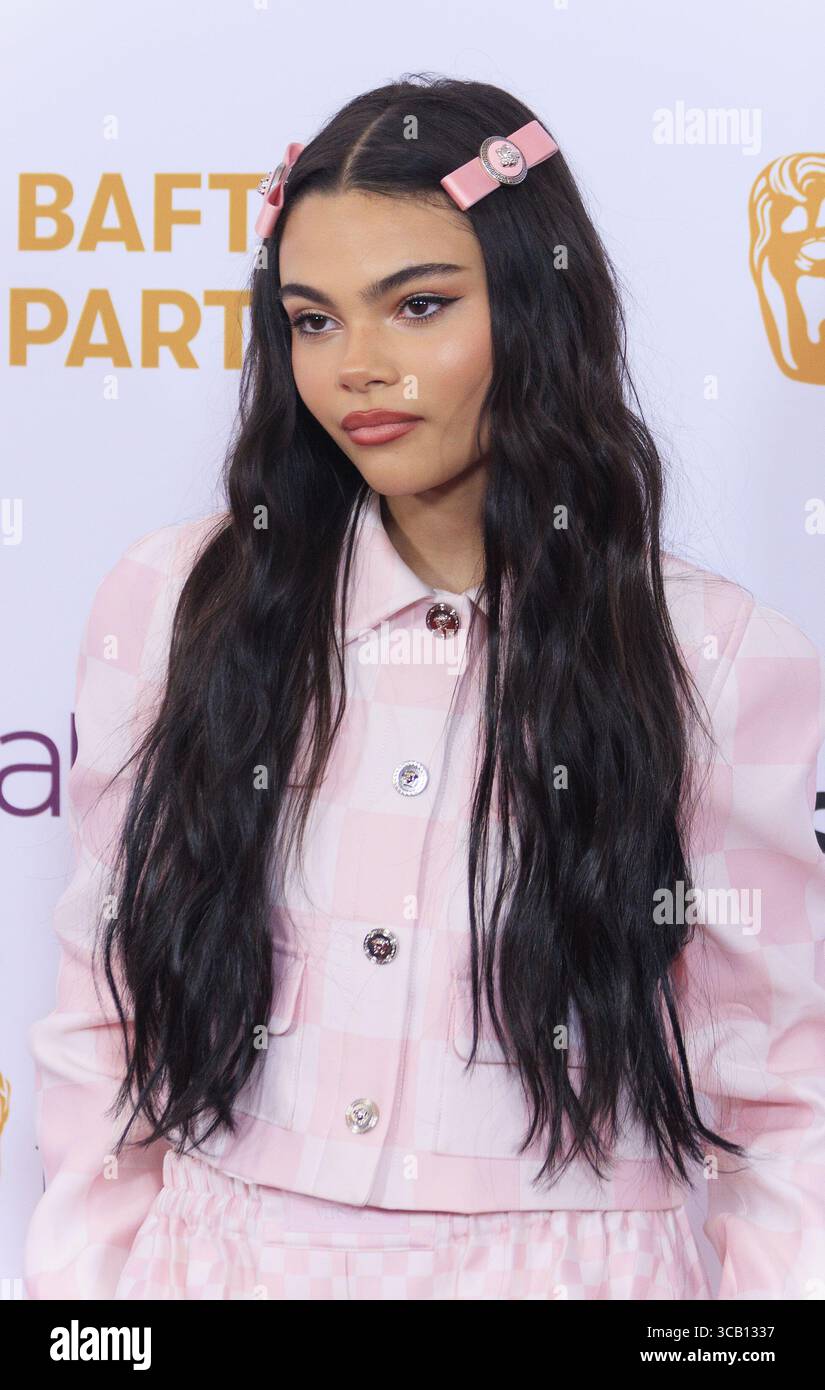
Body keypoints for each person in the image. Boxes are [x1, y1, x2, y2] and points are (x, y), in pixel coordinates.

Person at [24, 73, 825, 1301]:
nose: (359, 368)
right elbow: (103, 1024)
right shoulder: (176, 601)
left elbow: (788, 1099)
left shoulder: (714, 654)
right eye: (314, 319)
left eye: (419, 305)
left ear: (537, 306)